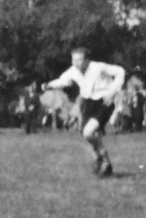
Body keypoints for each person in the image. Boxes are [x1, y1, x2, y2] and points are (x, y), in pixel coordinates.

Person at [43, 47, 125, 177]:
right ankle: (101, 161)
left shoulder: (98, 67)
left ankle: (104, 159)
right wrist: (49, 84)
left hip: (103, 101)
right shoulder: (73, 70)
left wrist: (112, 91)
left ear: (86, 60)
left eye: (79, 60)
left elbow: (120, 71)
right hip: (87, 103)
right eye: (73, 60)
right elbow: (63, 81)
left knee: (89, 132)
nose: (76, 63)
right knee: (88, 135)